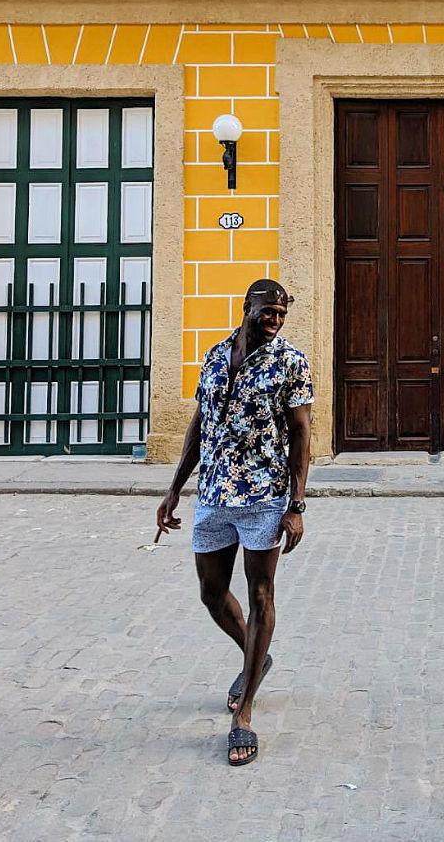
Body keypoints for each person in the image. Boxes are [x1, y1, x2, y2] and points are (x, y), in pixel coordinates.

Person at [156, 278, 313, 767]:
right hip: (214, 493)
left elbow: (303, 435)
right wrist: (174, 487)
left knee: (261, 592)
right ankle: (254, 656)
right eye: (269, 311)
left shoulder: (290, 362)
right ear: (247, 306)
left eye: (283, 314)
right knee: (210, 592)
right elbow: (200, 424)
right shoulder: (216, 355)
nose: (277, 320)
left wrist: (297, 505)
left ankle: (243, 713)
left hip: (265, 496)